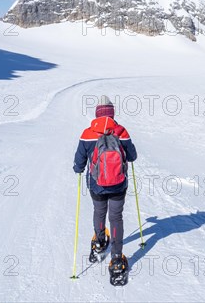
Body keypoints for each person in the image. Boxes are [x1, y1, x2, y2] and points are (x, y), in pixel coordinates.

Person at [73, 95, 137, 279]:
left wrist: (78, 169)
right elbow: (132, 156)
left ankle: (100, 242)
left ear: (97, 114)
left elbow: (79, 161)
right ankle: (117, 258)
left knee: (99, 212)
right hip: (118, 184)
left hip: (96, 185)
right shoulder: (121, 131)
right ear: (112, 113)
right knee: (116, 217)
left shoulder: (87, 133)